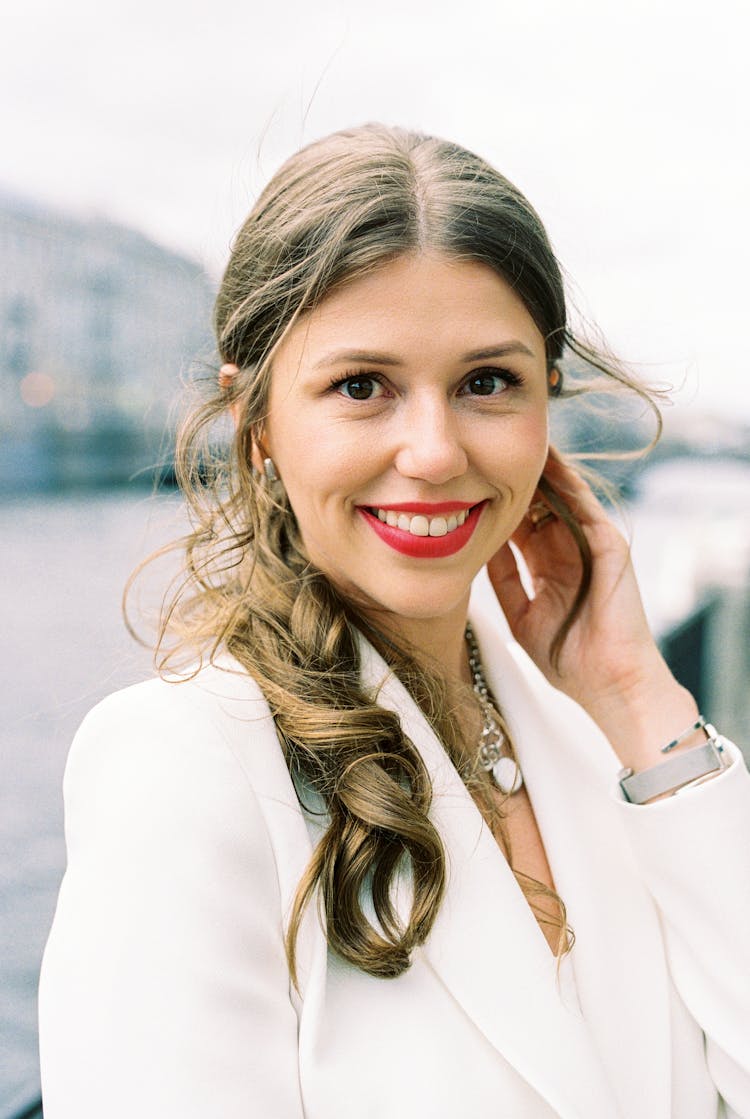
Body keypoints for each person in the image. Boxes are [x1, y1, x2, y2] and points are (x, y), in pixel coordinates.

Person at [38, 124, 750, 1118]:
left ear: (547, 401)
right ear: (258, 429)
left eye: (486, 383)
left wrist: (638, 698)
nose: (432, 451)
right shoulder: (191, 765)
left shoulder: (594, 733)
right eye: (361, 387)